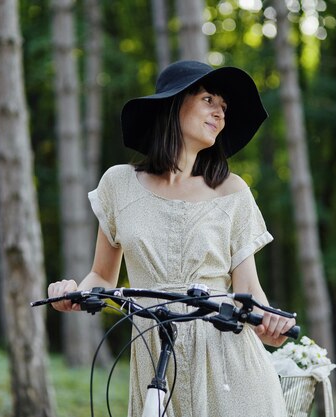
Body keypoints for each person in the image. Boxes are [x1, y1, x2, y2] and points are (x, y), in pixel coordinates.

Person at [48, 60, 295, 417]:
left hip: (230, 364)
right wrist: (70, 293)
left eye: (224, 108)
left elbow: (249, 291)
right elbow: (102, 277)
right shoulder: (118, 184)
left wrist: (271, 325)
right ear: (173, 104)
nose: (219, 113)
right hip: (153, 355)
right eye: (209, 99)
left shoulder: (232, 191)